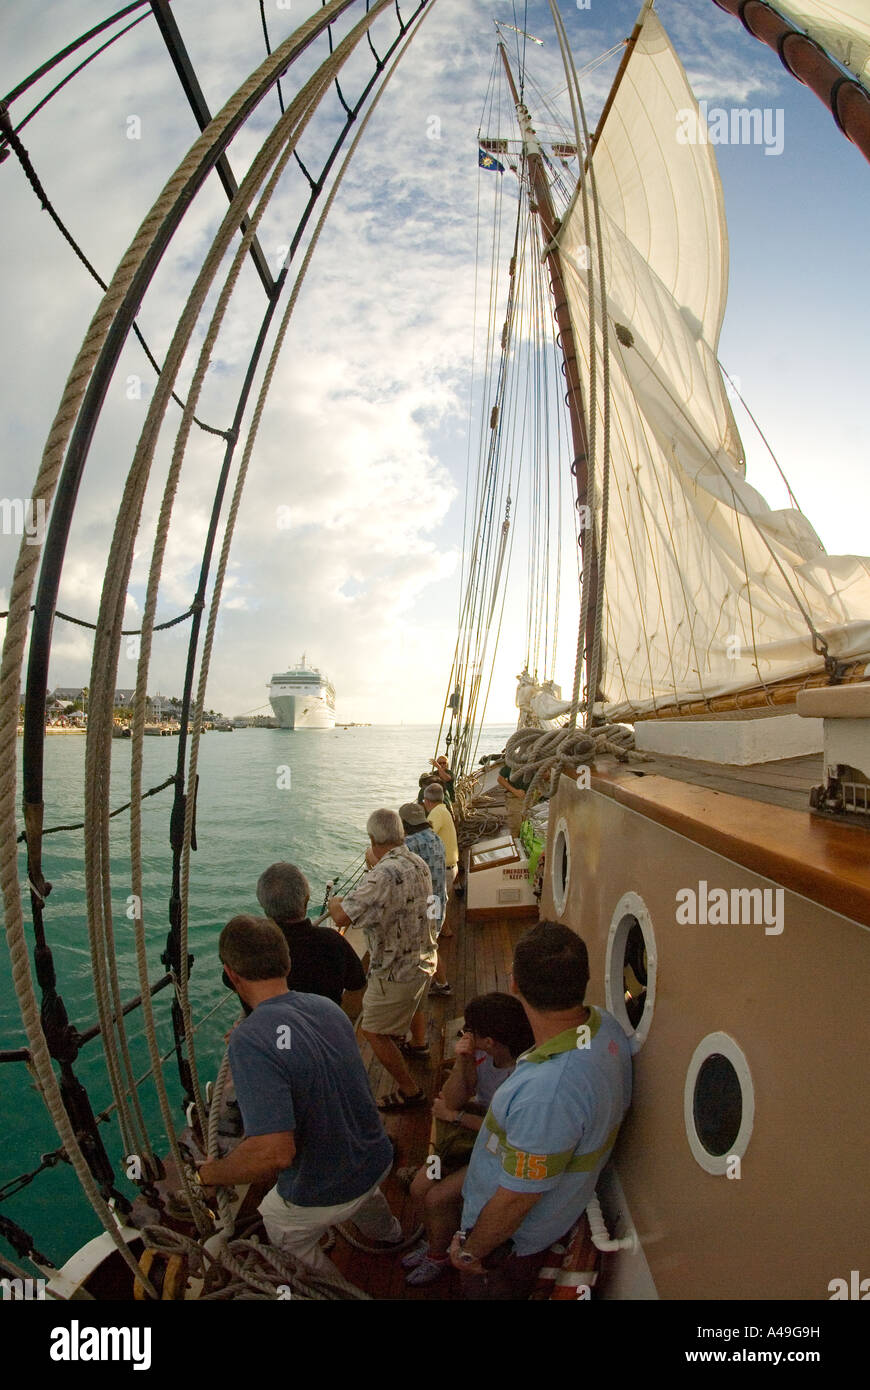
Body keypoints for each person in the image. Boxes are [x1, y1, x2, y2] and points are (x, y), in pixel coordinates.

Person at [196, 915, 401, 1280]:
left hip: (331, 1191)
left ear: (231, 975)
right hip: (377, 1158)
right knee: (368, 1196)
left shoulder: (249, 1040)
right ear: (286, 962)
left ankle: (332, 1288)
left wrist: (214, 1174)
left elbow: (276, 1153)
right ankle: (392, 1235)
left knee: (279, 1223)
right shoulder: (328, 1009)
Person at [449, 921, 632, 1300]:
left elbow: (516, 1200)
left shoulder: (549, 1094)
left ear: (513, 983)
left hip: (507, 1243)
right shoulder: (605, 1026)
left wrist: (471, 1251)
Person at [402, 993, 534, 1286]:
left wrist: (454, 1118)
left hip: (495, 1148)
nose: (466, 1034)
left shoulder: (523, 1076)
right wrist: (463, 1060)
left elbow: (506, 1130)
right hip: (472, 1137)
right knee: (420, 1185)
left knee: (436, 1197)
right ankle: (439, 1239)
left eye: (471, 1031)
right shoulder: (485, 1055)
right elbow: (453, 1098)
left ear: (489, 1040)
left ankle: (437, 1255)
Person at [328, 809, 436, 1111]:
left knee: (373, 1031)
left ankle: (410, 1092)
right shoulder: (417, 861)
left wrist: (333, 899)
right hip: (424, 958)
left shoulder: (381, 876)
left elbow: (340, 915)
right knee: (414, 1005)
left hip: (396, 971)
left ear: (373, 839)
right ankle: (418, 1044)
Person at [255, 862, 366, 1020]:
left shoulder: (255, 949)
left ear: (264, 906)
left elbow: (231, 980)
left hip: (271, 1036)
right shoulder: (332, 942)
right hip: (323, 1032)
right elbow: (357, 985)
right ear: (306, 899)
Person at [400, 802, 449, 1045]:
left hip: (422, 910)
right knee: (433, 945)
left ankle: (417, 1037)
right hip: (438, 903)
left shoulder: (411, 844)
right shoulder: (434, 838)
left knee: (417, 967)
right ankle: (443, 983)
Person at [423, 782, 459, 893]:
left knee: (434, 907)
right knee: (439, 906)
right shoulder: (443, 810)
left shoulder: (436, 813)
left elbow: (425, 839)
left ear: (427, 801)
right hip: (449, 866)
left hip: (443, 870)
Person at [497, 759, 532, 838]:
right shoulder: (513, 762)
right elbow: (500, 779)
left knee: (530, 825)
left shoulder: (535, 762)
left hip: (531, 797)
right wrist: (515, 791)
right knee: (516, 825)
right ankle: (516, 844)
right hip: (514, 798)